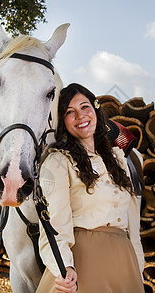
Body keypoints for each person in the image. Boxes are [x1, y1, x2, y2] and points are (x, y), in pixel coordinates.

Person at [36, 83, 145, 293]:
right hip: (83, 263)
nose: (80, 116)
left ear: (95, 110)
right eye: (70, 112)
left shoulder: (119, 160)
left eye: (85, 107)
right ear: (62, 122)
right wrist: (63, 266)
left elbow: (133, 223)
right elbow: (54, 223)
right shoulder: (59, 162)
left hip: (125, 262)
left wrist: (137, 266)